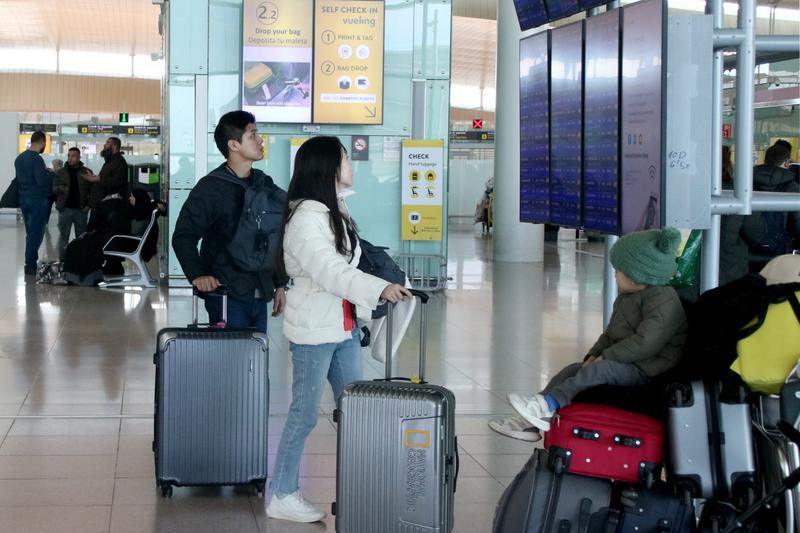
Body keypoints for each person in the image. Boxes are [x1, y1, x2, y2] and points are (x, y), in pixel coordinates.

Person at [266, 136, 411, 523]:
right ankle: (281, 492)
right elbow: (331, 271)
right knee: (304, 413)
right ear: (328, 167)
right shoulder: (308, 217)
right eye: (346, 158)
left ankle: (364, 484)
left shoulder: (335, 209)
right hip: (316, 330)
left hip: (343, 326)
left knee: (356, 409)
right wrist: (378, 287)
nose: (352, 164)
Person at [489, 228, 688, 441]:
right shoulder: (629, 298)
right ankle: (533, 418)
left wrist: (606, 357)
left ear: (636, 275)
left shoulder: (664, 301)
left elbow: (646, 343)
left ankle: (548, 405)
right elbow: (611, 334)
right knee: (574, 370)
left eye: (618, 269)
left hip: (647, 370)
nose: (614, 273)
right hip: (627, 362)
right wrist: (593, 355)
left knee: (601, 370)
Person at [172, 110, 287, 331]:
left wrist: (280, 283)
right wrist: (198, 274)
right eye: (253, 134)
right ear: (234, 145)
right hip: (226, 293)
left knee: (255, 360)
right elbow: (184, 235)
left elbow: (273, 235)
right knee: (232, 361)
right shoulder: (211, 188)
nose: (260, 139)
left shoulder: (263, 184)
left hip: (259, 292)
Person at [719, 145, 767, 285]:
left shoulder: (682, 187)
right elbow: (756, 233)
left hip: (684, 270)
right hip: (728, 271)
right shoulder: (740, 192)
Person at [749, 143, 800, 270]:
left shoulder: (746, 183)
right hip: (780, 253)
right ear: (787, 162)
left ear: (765, 160)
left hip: (747, 252)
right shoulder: (792, 188)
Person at [14, 131, 53, 275]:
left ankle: (30, 262)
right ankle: (30, 265)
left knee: (30, 232)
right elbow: (41, 181)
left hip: (24, 199)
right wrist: (50, 174)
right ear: (42, 142)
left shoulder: (19, 158)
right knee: (36, 233)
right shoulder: (37, 159)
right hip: (37, 199)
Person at [53, 147, 91, 260]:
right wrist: (60, 188)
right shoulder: (60, 172)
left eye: (73, 156)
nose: (70, 158)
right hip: (65, 210)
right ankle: (63, 261)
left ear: (79, 157)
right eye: (69, 155)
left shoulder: (86, 172)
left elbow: (92, 191)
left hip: (81, 210)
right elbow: (53, 189)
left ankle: (80, 260)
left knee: (81, 238)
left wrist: (89, 206)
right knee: (63, 237)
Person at [82, 137, 129, 212]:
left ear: (114, 146)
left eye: (107, 143)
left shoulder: (119, 162)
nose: (104, 145)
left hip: (110, 206)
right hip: (103, 204)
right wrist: (95, 177)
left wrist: (99, 179)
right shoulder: (110, 161)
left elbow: (118, 182)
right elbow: (108, 178)